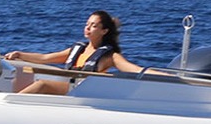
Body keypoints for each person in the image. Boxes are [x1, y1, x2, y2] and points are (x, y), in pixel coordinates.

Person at [8, 10, 148, 94]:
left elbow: (135, 69)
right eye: (87, 24)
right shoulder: (77, 50)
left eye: (93, 26)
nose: (88, 28)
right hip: (70, 87)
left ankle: (9, 106)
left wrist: (161, 76)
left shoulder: (110, 56)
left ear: (104, 31)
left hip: (84, 92)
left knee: (43, 84)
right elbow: (45, 58)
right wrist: (20, 54)